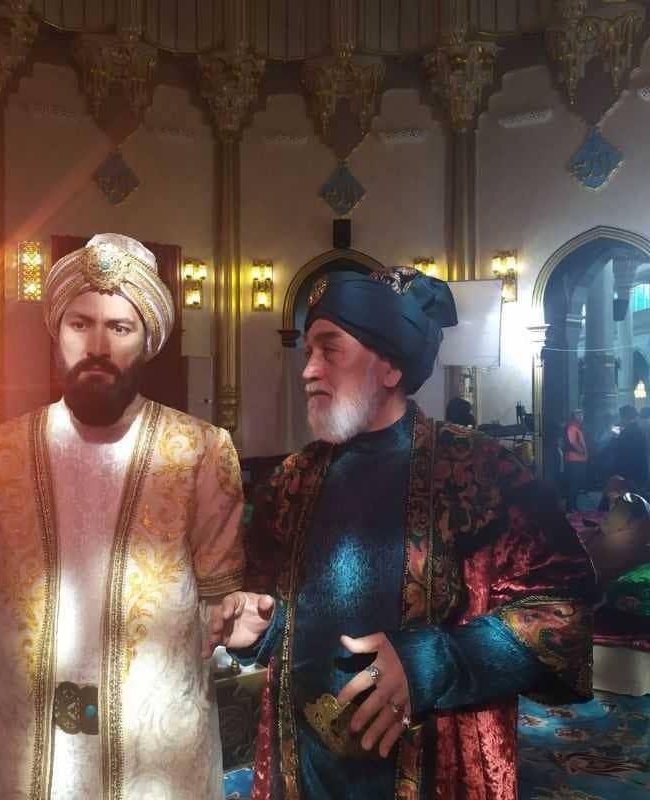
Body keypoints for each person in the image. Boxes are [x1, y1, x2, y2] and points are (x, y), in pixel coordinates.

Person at [209, 268, 597, 800]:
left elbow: (564, 612)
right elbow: (292, 618)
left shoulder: (477, 472)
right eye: (308, 351)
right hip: (303, 767)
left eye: (330, 349)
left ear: (390, 366)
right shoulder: (292, 481)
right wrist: (265, 629)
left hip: (434, 767)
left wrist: (432, 663)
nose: (308, 370)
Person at [0, 234, 245, 799]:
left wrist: (229, 621)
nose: (97, 346)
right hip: (31, 739)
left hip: (159, 748)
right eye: (80, 324)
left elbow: (218, 599)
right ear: (57, 331)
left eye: (120, 328)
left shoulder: (200, 451)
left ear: (147, 341)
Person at [612, 404, 648, 492]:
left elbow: (621, 452)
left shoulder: (628, 432)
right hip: (638, 469)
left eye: (620, 416)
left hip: (629, 471)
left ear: (625, 417)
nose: (619, 419)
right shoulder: (637, 429)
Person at [564, 409, 588, 511]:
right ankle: (570, 507)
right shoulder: (572, 428)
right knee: (573, 485)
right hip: (575, 460)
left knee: (576, 485)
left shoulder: (577, 429)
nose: (582, 417)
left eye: (582, 414)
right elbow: (572, 442)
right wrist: (582, 451)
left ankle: (573, 506)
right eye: (579, 415)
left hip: (578, 460)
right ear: (574, 417)